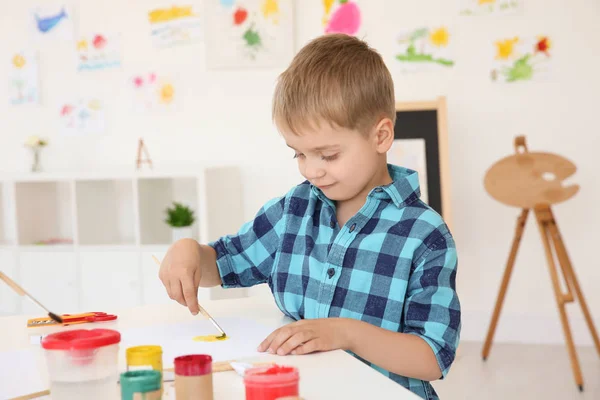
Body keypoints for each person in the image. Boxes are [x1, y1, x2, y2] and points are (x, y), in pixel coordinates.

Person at [159, 33, 460, 400]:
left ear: (381, 136)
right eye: (298, 154)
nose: (310, 171)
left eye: (328, 155)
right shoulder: (293, 211)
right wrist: (190, 252)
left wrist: (345, 333)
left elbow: (433, 356)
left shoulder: (424, 235)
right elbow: (225, 263)